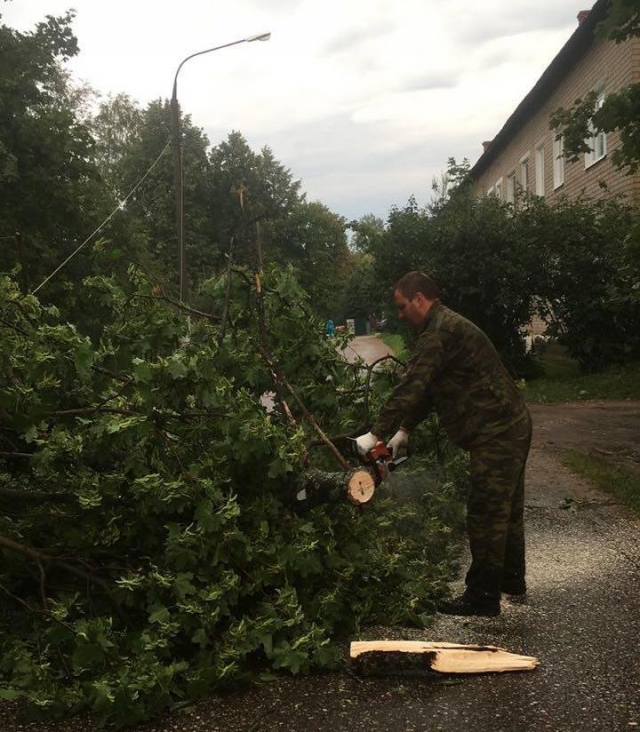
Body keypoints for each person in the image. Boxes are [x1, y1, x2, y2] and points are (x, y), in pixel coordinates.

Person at [355, 271, 532, 617]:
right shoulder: (440, 328)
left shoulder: (439, 332)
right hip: (509, 425)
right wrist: (403, 430)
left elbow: (411, 386)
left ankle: (482, 597)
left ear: (420, 298)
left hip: (497, 431)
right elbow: (431, 389)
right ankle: (511, 580)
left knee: (486, 512)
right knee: (506, 509)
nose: (401, 314)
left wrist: (375, 434)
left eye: (403, 306)